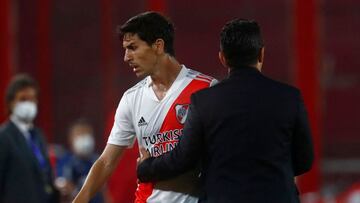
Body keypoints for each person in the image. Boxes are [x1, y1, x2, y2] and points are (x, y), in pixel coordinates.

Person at [137, 19, 314, 203]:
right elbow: (304, 160)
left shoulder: (203, 101)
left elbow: (183, 158)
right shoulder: (289, 98)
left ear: (222, 58)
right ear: (261, 54)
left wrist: (146, 167)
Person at [73, 11, 217, 203]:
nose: (126, 57)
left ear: (158, 45)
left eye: (133, 47)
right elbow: (107, 161)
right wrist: (79, 200)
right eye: (125, 49)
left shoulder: (206, 88)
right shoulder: (131, 98)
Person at [0, 74, 59, 203]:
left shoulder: (38, 135)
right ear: (11, 103)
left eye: (32, 99)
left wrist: (57, 190)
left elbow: (43, 175)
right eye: (23, 99)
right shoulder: (4, 137)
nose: (28, 104)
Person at [56, 119, 107, 203]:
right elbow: (64, 189)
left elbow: (104, 191)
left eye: (87, 134)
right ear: (71, 138)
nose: (84, 139)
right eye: (80, 134)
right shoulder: (65, 162)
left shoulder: (98, 159)